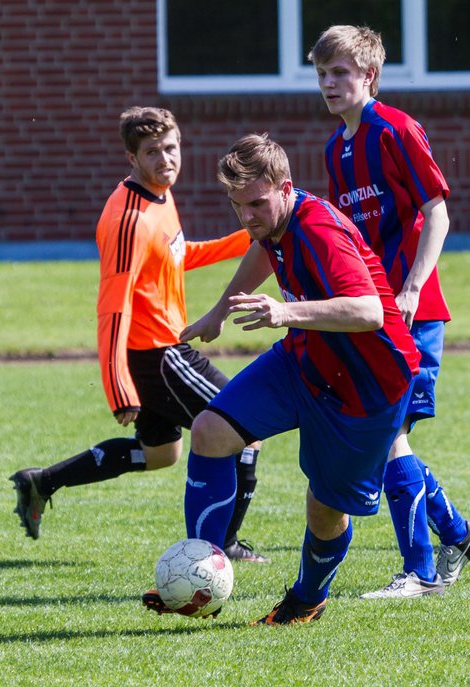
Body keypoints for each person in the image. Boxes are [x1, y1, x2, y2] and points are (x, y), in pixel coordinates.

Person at [143, 133, 421, 625]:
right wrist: (219, 311)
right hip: (306, 358)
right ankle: (198, 578)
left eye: (256, 203)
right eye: (236, 206)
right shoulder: (275, 221)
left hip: (367, 387)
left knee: (324, 508)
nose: (246, 217)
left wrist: (283, 310)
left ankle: (307, 599)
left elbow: (369, 311)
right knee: (210, 430)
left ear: (286, 187)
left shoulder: (320, 230)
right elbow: (261, 249)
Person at [9, 106, 267, 563]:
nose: (166, 159)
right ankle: (223, 546)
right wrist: (118, 386)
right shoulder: (129, 219)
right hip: (158, 354)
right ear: (132, 156)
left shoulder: (160, 196)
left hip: (156, 351)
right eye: (153, 152)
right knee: (244, 431)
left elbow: (174, 255)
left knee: (160, 453)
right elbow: (112, 307)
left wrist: (244, 237)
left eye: (172, 148)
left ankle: (41, 482)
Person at [308, 25, 470, 599]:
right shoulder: (336, 148)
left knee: (388, 436)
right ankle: (456, 535)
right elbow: (343, 238)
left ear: (369, 76)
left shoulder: (397, 129)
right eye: (322, 74)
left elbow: (437, 213)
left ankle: (423, 572)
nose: (330, 83)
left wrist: (411, 288)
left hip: (413, 311)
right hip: (371, 313)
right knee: (385, 434)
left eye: (341, 72)